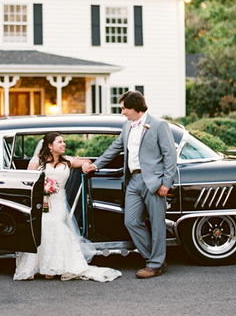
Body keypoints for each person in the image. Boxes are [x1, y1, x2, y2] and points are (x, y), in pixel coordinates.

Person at [82, 91, 176, 279]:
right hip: (133, 180)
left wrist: (167, 182)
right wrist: (95, 165)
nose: (123, 112)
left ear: (135, 108)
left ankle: (154, 265)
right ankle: (154, 259)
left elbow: (170, 154)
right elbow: (115, 148)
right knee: (131, 221)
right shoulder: (127, 126)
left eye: (124, 108)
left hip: (154, 181)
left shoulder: (158, 125)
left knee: (157, 225)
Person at [13, 132, 121, 282]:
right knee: (42, 228)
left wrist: (85, 165)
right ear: (50, 146)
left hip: (59, 202)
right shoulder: (37, 161)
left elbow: (87, 161)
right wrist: (43, 189)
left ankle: (56, 266)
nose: (64, 144)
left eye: (63, 142)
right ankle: (45, 267)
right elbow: (28, 182)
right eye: (60, 142)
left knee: (56, 225)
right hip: (41, 202)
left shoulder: (67, 161)